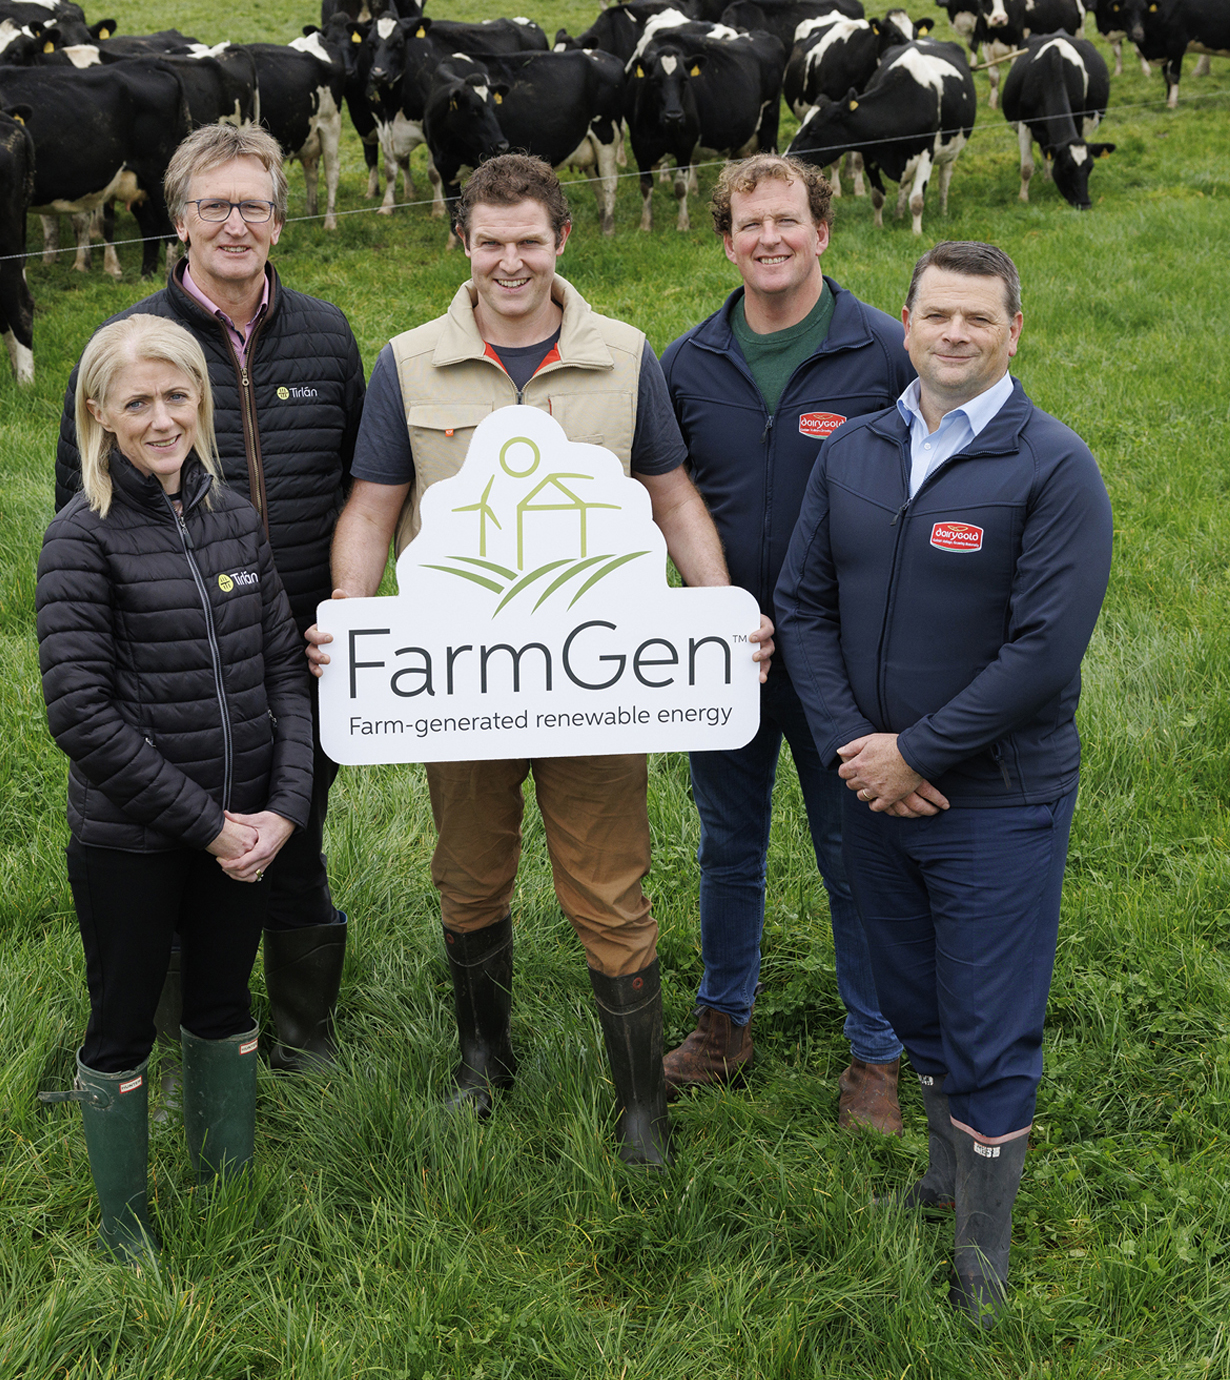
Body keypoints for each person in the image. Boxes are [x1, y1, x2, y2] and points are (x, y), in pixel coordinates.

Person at [306, 154, 764, 1168]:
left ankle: (639, 1108)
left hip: (595, 675)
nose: (508, 261)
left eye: (527, 241)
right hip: (461, 677)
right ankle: (483, 1063)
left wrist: (720, 613)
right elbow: (373, 507)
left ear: (562, 239)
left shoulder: (624, 355)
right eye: (489, 242)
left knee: (610, 886)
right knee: (468, 875)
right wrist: (351, 617)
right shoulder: (409, 362)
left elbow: (672, 496)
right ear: (461, 244)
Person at [775, 241, 1112, 1325]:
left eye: (977, 318)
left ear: (1014, 332)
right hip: (874, 788)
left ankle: (983, 1255)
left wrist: (918, 751)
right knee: (913, 996)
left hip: (994, 797)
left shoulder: (1051, 466)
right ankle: (940, 1172)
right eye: (936, 315)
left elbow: (1042, 652)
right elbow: (802, 604)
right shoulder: (857, 449)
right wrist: (855, 747)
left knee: (987, 1019)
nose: (954, 334)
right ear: (907, 323)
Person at [55, 124, 365, 1072]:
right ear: (180, 219)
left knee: (294, 836)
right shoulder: (130, 349)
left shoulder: (326, 338)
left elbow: (363, 490)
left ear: (279, 219)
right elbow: (84, 504)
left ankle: (303, 1032)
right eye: (215, 205)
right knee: (174, 846)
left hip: (296, 648)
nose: (236, 224)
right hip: (168, 661)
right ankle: (173, 1028)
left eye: (254, 205)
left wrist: (347, 609)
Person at [36, 313, 314, 1262]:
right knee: (121, 1022)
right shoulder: (80, 539)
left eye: (177, 396)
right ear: (99, 414)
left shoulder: (236, 520)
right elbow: (81, 715)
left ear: (202, 401)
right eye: (137, 402)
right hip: (135, 840)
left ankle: (225, 1187)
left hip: (246, 831)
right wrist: (209, 826)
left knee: (223, 1006)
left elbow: (285, 675)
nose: (161, 419)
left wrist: (283, 809)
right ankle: (126, 1225)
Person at [657, 154, 915, 1131]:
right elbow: (662, 498)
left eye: (786, 220)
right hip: (725, 652)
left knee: (854, 848)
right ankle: (722, 1021)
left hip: (845, 659)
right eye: (748, 224)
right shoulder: (686, 364)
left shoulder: (882, 353)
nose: (768, 238)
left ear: (822, 232)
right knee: (727, 841)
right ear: (725, 243)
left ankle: (877, 1050)